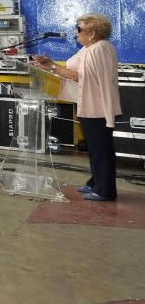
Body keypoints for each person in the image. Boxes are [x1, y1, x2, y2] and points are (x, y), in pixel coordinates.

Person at [32, 14, 121, 201]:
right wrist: (49, 66)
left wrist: (53, 67)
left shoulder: (100, 48)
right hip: (89, 106)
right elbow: (75, 73)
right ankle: (96, 184)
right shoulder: (89, 48)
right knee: (95, 148)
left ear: (92, 32)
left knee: (101, 150)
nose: (76, 32)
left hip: (98, 108)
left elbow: (83, 77)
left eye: (79, 29)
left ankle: (106, 191)